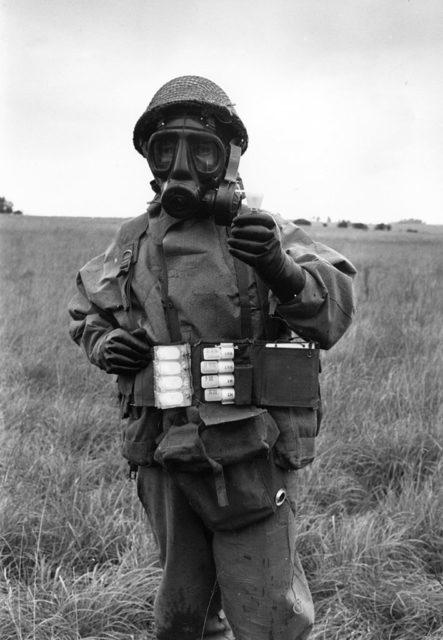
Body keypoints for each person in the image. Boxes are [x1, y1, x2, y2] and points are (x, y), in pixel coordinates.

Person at [69, 75, 356, 640]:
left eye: (200, 148)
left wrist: (282, 270)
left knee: (269, 614)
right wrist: (106, 345)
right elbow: (87, 313)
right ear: (149, 160)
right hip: (165, 450)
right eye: (165, 148)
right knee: (183, 615)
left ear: (229, 157)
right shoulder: (132, 243)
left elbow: (334, 312)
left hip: (256, 450)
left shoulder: (265, 232)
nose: (181, 165)